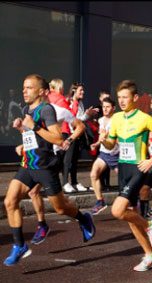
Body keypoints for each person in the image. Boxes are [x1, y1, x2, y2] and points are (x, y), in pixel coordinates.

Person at [3, 74, 96, 266]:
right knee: (10, 201)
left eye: (29, 87)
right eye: (23, 87)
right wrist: (22, 131)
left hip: (45, 167)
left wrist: (33, 126)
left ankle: (83, 218)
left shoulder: (46, 110)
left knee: (61, 208)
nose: (24, 91)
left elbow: (57, 138)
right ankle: (19, 245)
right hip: (28, 165)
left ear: (42, 91)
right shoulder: (27, 108)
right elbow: (34, 137)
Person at [98, 80, 152, 271]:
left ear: (135, 98)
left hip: (138, 168)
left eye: (125, 97)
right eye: (119, 97)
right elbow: (112, 145)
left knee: (117, 210)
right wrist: (103, 141)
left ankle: (150, 224)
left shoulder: (145, 118)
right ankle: (150, 255)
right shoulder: (116, 118)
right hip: (123, 168)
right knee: (130, 216)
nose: (122, 101)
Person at [90, 97, 119, 215]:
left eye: (107, 107)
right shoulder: (101, 120)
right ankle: (100, 201)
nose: (105, 109)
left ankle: (134, 200)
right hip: (104, 153)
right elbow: (102, 137)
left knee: (125, 181)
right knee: (93, 174)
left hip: (117, 154)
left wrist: (106, 138)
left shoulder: (117, 120)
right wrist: (96, 144)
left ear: (113, 108)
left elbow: (115, 139)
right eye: (103, 107)